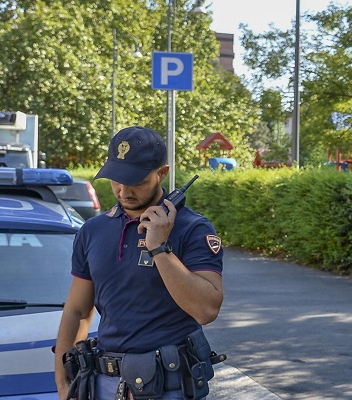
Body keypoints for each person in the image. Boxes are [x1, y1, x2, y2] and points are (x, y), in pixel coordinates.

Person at [54, 126, 225, 400]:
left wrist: (159, 248)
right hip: (103, 383)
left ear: (162, 173)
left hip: (170, 387)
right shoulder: (93, 231)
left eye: (136, 181)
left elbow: (206, 310)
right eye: (116, 179)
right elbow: (77, 311)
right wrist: (63, 382)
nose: (124, 191)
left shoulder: (194, 228)